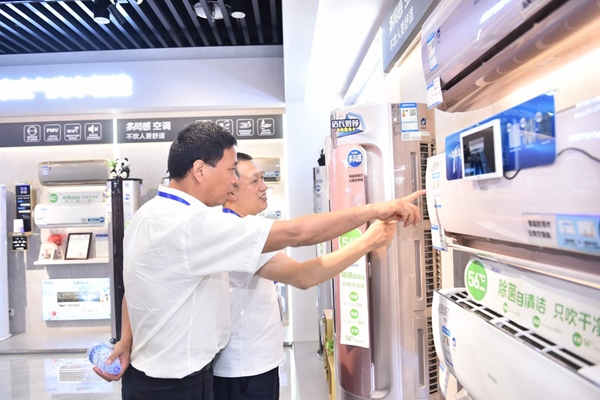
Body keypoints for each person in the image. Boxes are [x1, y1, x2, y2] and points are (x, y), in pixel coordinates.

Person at [94, 122, 424, 400]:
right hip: (180, 386)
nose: (233, 181)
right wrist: (374, 212)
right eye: (230, 171)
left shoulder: (148, 214)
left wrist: (127, 339)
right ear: (200, 170)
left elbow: (135, 286)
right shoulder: (194, 224)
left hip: (152, 378)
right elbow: (297, 234)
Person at [213, 153, 395, 399]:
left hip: (251, 362)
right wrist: (366, 242)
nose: (264, 187)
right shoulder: (239, 231)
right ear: (231, 191)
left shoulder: (239, 225)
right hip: (245, 368)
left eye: (263, 178)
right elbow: (303, 275)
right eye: (255, 181)